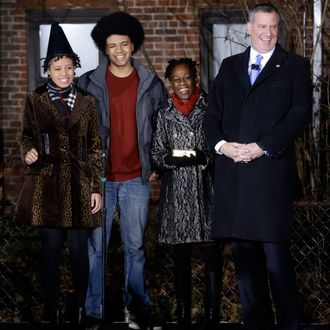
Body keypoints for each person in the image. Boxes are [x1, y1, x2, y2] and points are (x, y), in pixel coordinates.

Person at [203, 3, 312, 330]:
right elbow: (212, 117)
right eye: (262, 27)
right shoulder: (229, 65)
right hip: (233, 179)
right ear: (249, 29)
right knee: (246, 267)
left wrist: (261, 146)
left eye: (274, 27)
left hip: (269, 179)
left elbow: (299, 115)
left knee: (277, 264)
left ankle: (289, 324)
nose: (268, 34)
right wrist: (223, 146)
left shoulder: (294, 66)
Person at [77, 11, 166, 330]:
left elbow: (161, 128)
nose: (119, 50)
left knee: (135, 248)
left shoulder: (151, 84)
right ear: (105, 48)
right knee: (96, 249)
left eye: (124, 44)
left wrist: (156, 163)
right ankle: (93, 309)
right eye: (112, 45)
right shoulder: (87, 83)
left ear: (133, 46)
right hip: (99, 182)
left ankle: (137, 309)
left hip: (136, 180)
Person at [14, 23, 102, 329]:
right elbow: (25, 136)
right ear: (47, 70)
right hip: (47, 188)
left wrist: (96, 188)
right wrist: (28, 152)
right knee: (50, 254)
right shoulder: (34, 100)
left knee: (80, 254)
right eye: (57, 68)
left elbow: (94, 147)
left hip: (79, 188)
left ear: (75, 69)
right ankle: (51, 313)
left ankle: (78, 310)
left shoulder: (89, 103)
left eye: (68, 67)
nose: (63, 73)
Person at [151, 58, 222, 330]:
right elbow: (157, 153)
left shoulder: (210, 109)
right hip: (177, 196)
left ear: (195, 78)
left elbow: (219, 149)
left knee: (211, 260)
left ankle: (212, 317)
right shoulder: (164, 114)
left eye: (187, 78)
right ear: (170, 83)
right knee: (180, 262)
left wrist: (203, 158)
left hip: (206, 194)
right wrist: (177, 159)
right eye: (176, 79)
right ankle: (183, 318)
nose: (183, 84)